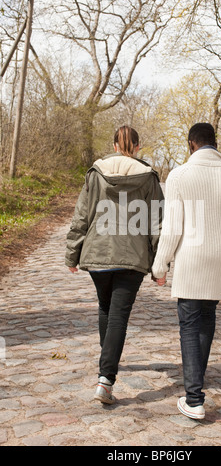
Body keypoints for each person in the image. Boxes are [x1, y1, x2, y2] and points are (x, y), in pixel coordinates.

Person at [152, 123, 221, 420]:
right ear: (214, 143)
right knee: (206, 320)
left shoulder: (180, 175)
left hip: (192, 257)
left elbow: (172, 228)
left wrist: (160, 264)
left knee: (190, 325)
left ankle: (194, 399)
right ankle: (195, 391)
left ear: (191, 143)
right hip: (220, 256)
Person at [65, 125, 164, 404]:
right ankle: (105, 380)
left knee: (106, 307)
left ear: (115, 145)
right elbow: (157, 222)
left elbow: (82, 216)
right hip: (132, 257)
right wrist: (160, 264)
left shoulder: (96, 173)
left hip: (98, 253)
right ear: (136, 147)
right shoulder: (148, 178)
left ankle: (107, 359)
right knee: (118, 314)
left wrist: (73, 253)